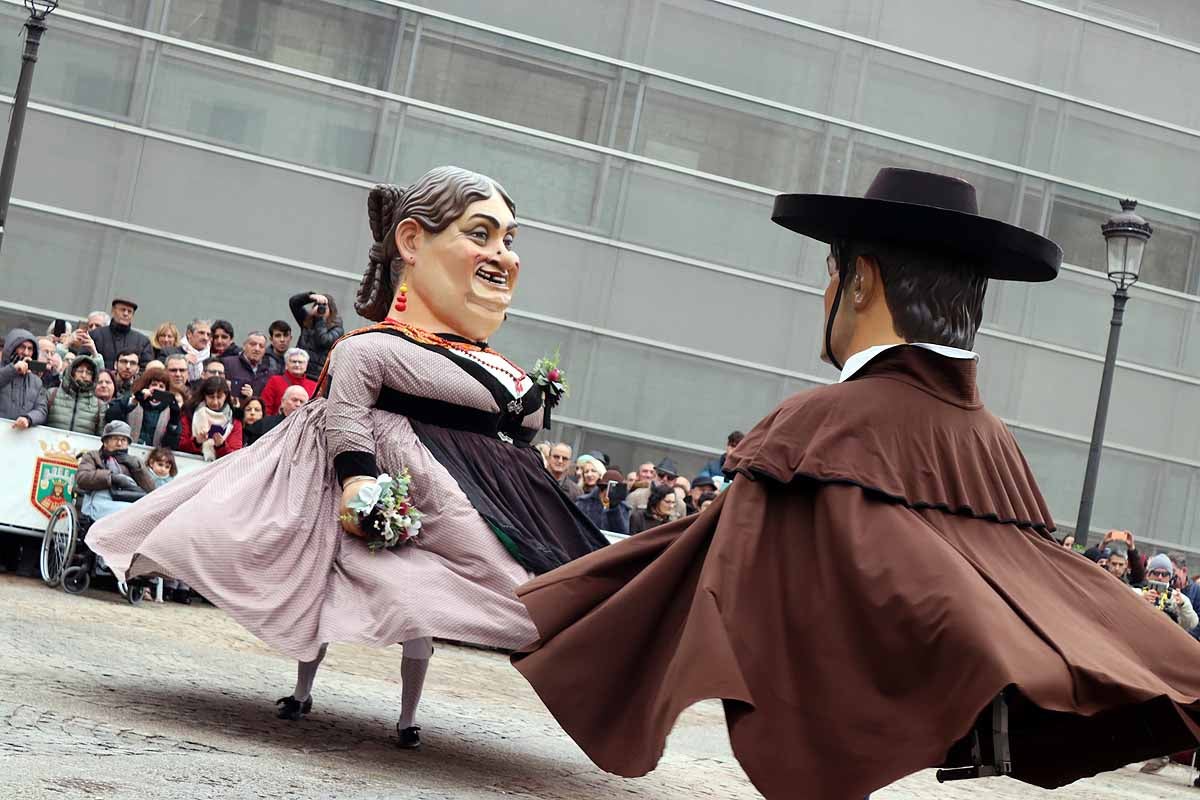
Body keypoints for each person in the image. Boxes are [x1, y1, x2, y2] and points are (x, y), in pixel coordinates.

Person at [510, 168, 1200, 798]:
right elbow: (1032, 586)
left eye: (829, 274)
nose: (825, 295)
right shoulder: (992, 441)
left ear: (861, 281)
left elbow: (704, 562)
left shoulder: (822, 423)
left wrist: (538, 611)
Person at [87, 167, 608, 750]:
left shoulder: (497, 366)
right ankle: (309, 692)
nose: (503, 256)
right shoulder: (368, 347)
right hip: (375, 494)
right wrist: (359, 481)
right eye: (481, 234)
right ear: (412, 242)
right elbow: (345, 414)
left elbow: (522, 428)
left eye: (509, 241)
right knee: (334, 595)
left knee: (430, 608)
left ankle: (408, 716)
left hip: (464, 497)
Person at [76, 421, 156, 522]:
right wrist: (111, 477)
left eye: (123, 440)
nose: (119, 443)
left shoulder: (134, 461)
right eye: (115, 439)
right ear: (105, 442)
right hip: (99, 500)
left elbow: (151, 489)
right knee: (126, 513)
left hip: (127, 499)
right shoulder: (93, 456)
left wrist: (137, 468)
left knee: (142, 514)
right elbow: (82, 477)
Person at [106, 367, 182, 449]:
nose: (157, 388)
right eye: (154, 384)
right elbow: (111, 416)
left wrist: (174, 419)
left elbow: (172, 443)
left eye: (161, 386)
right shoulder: (132, 400)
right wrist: (135, 400)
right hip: (128, 449)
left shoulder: (169, 411)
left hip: (154, 455)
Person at [180, 376, 243, 461]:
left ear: (226, 396)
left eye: (219, 397)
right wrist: (196, 442)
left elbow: (235, 455)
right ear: (204, 396)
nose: (215, 402)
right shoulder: (190, 414)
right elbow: (180, 446)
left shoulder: (234, 421)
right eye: (211, 397)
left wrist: (221, 446)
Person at [289, 291, 344, 381]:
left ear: (331, 310)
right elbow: (293, 303)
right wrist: (310, 297)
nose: (320, 309)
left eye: (324, 307)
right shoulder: (308, 321)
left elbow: (323, 341)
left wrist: (320, 319)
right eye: (318, 305)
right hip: (299, 370)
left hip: (316, 376)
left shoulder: (337, 328)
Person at [0, 328, 48, 430]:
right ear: (11, 348)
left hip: (20, 438)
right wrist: (13, 369)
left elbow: (42, 409)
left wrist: (28, 419)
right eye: (22, 347)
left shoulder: (36, 382)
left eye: (30, 349)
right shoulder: (3, 371)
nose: (26, 353)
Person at [45, 355, 106, 434]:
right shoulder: (52, 394)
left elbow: (100, 437)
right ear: (72, 372)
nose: (84, 375)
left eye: (88, 373)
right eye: (80, 371)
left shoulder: (99, 406)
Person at [90, 298, 153, 367]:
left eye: (129, 311)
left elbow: (145, 368)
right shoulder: (95, 335)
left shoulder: (142, 341)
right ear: (113, 311)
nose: (126, 314)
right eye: (122, 310)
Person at [260, 348, 316, 415]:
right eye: (293, 362)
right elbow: (266, 406)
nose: (297, 365)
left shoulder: (314, 386)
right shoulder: (275, 381)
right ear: (286, 365)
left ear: (306, 366)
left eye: (300, 362)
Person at [575, 469, 630, 535]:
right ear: (604, 486)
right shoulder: (584, 503)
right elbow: (576, 527)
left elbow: (623, 533)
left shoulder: (622, 507)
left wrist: (614, 509)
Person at [222, 331, 272, 402]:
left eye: (261, 346)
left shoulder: (268, 373)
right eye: (253, 344)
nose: (257, 349)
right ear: (244, 346)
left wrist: (252, 397)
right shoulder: (228, 364)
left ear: (264, 351)